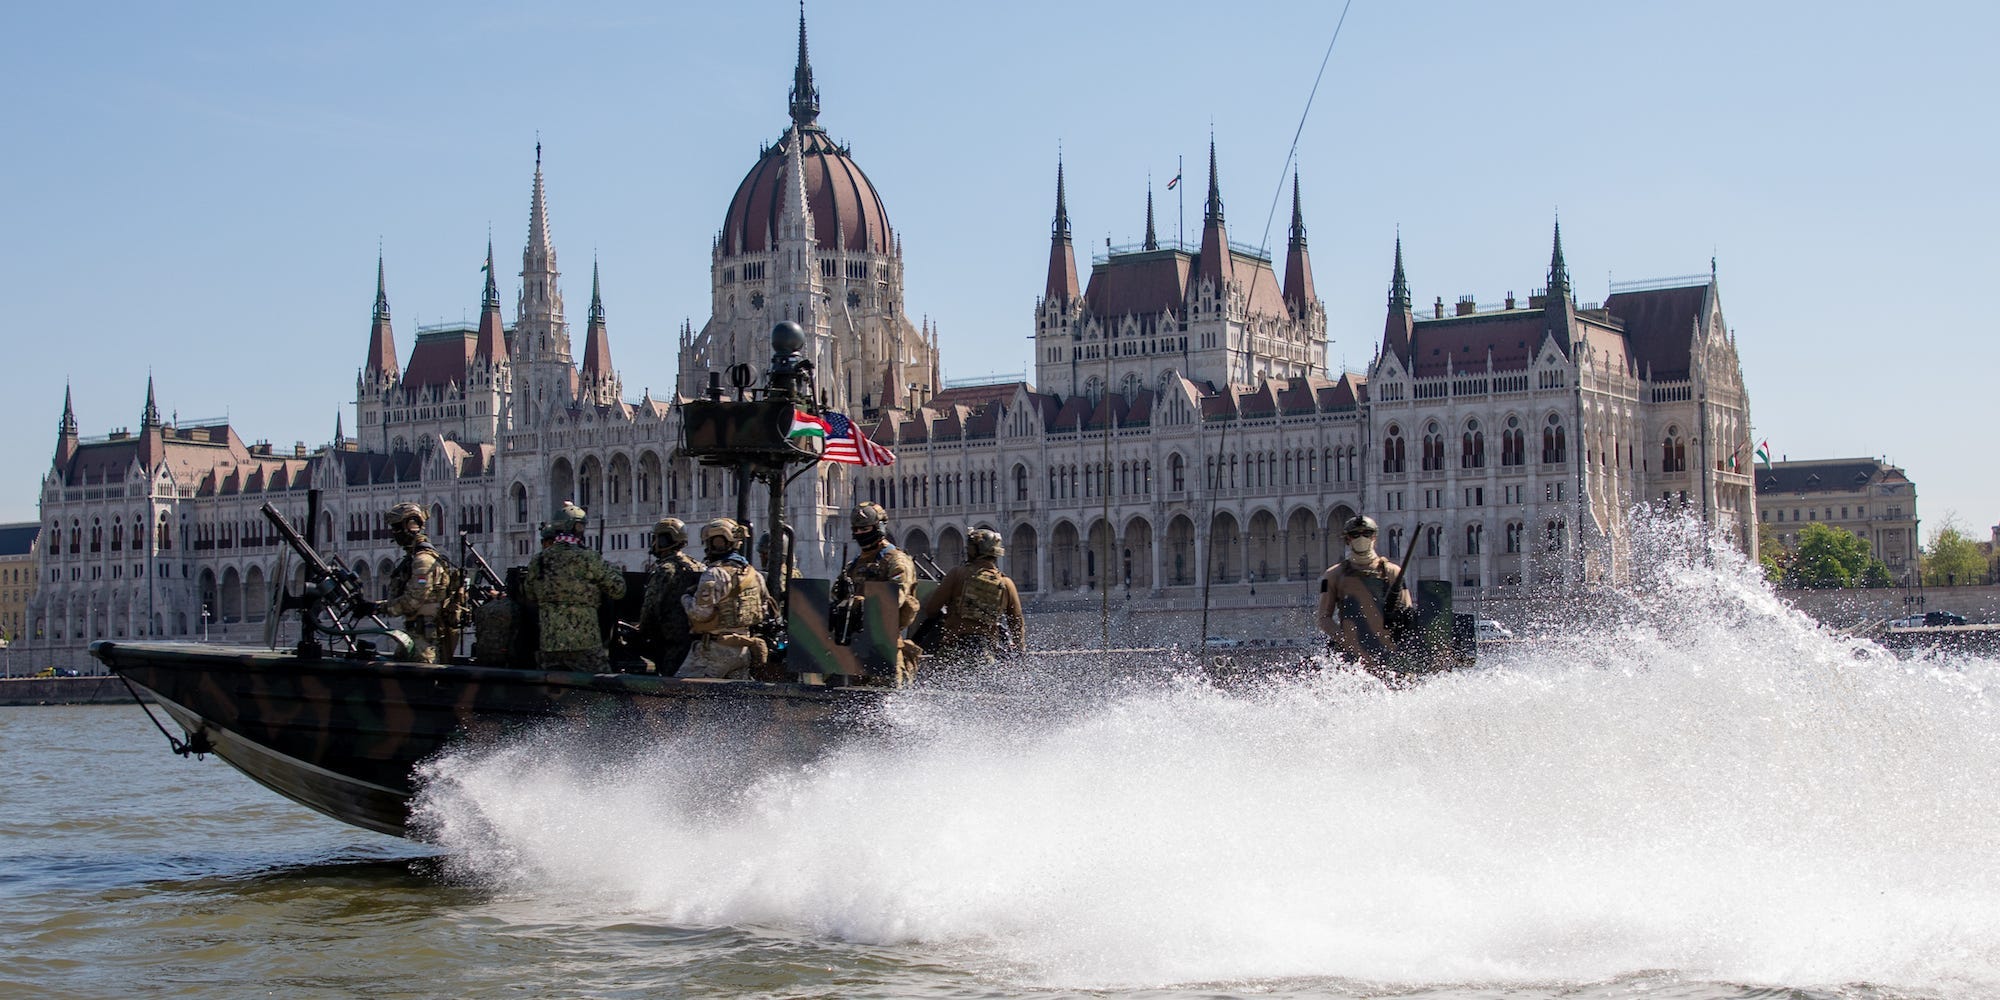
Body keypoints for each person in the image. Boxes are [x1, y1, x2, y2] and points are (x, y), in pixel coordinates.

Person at [520, 502, 626, 671]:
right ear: (576, 528)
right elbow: (618, 589)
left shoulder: (538, 560)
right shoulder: (588, 558)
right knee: (604, 688)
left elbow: (530, 594)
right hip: (585, 645)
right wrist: (611, 570)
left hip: (550, 646)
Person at [1316, 515, 1414, 680]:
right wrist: (1347, 641)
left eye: (1366, 534)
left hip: (1389, 651)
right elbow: (1324, 618)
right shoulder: (1332, 575)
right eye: (1356, 535)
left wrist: (1397, 622)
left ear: (1374, 537)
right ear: (1348, 539)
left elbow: (1408, 613)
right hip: (1352, 655)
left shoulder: (1392, 572)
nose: (1361, 538)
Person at [676, 517, 776, 679]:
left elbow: (700, 613)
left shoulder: (714, 574)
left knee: (680, 696)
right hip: (742, 651)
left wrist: (686, 598)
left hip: (713, 651)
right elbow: (764, 610)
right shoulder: (754, 575)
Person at [835, 501, 922, 683]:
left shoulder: (896, 561)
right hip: (854, 648)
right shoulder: (855, 564)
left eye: (864, 529)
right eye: (856, 529)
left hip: (885, 647)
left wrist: (859, 601)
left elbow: (894, 600)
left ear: (879, 527)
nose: (859, 533)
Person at [912, 527, 1025, 666]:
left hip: (953, 651)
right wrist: (1020, 649)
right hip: (986, 654)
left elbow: (931, 610)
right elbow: (1016, 622)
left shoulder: (957, 574)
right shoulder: (1006, 584)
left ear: (972, 550)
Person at [361, 501, 455, 664]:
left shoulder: (423, 561)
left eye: (397, 528)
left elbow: (413, 601)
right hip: (414, 637)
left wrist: (378, 608)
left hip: (423, 644)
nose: (394, 533)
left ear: (410, 526)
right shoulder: (414, 558)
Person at [636, 517, 702, 674]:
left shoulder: (665, 570)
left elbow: (650, 607)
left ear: (665, 540)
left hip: (670, 640)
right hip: (694, 638)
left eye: (656, 538)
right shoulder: (697, 565)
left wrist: (641, 633)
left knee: (668, 681)